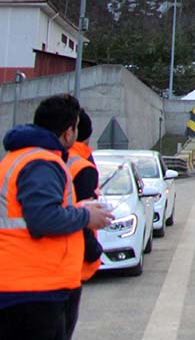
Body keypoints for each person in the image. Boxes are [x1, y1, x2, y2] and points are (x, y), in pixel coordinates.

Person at [0, 94, 113, 339]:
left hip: (27, 287)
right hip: (34, 290)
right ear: (68, 132)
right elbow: (42, 218)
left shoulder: (22, 157)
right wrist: (85, 215)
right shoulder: (41, 161)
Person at [65, 109, 104, 336]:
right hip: (68, 265)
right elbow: (81, 216)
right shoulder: (81, 167)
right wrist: (93, 251)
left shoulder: (17, 161)